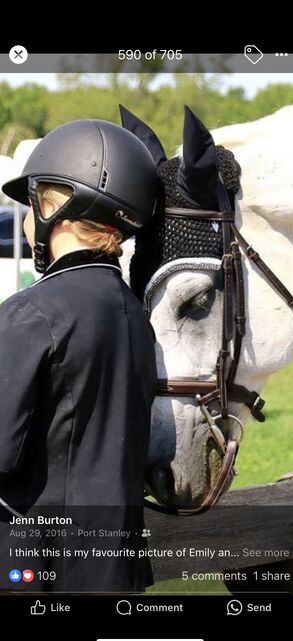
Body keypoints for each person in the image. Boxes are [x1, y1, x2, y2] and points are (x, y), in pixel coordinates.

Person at [0, 119, 159, 592]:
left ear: (55, 205)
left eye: (30, 205)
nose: (26, 221)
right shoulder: (137, 317)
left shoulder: (30, 312)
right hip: (116, 574)